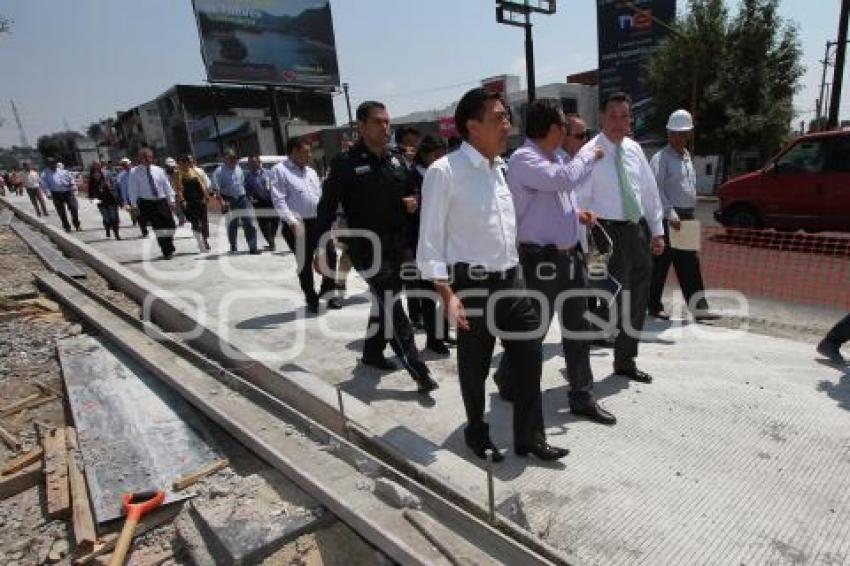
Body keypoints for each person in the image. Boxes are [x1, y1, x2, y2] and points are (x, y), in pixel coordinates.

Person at [418, 88, 568, 461]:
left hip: (512, 279)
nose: (508, 125)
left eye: (507, 117)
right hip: (473, 285)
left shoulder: (500, 167)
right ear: (472, 126)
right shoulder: (444, 172)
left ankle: (530, 437)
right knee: (475, 365)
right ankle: (476, 431)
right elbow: (430, 242)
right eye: (499, 117)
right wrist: (447, 295)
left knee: (530, 358)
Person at [491, 100, 616, 426]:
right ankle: (507, 378)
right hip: (540, 262)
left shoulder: (558, 157)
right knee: (533, 330)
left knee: (578, 329)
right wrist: (590, 153)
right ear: (552, 128)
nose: (568, 131)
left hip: (570, 257)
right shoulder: (524, 159)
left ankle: (582, 396)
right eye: (564, 125)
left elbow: (554, 201)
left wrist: (578, 215)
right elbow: (563, 180)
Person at [317, 101, 437, 393]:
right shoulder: (345, 163)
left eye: (387, 121)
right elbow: (326, 207)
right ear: (361, 126)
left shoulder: (396, 160)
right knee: (393, 304)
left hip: (398, 245)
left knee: (385, 301)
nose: (385, 127)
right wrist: (320, 249)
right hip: (366, 248)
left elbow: (413, 192)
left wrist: (414, 202)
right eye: (378, 122)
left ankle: (372, 352)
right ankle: (417, 368)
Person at [576, 91, 666, 384]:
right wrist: (584, 245)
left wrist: (657, 231)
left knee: (637, 299)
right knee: (601, 300)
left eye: (625, 116)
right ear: (602, 116)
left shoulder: (635, 150)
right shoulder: (589, 152)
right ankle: (571, 369)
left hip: (634, 231)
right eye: (613, 115)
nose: (619, 122)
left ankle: (625, 360)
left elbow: (649, 193)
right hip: (603, 234)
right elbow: (579, 200)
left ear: (631, 119)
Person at [648, 109, 719, 322]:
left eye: (682, 133)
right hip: (668, 217)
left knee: (690, 263)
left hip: (686, 217)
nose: (678, 137)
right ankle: (653, 306)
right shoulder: (660, 159)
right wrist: (670, 212)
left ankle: (699, 308)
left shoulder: (687, 156)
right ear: (668, 133)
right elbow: (654, 190)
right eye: (674, 133)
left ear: (689, 134)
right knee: (660, 265)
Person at [406, 135, 451, 354]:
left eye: (443, 154)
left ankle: (442, 332)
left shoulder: (445, 173)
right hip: (421, 241)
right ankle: (433, 339)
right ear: (424, 154)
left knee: (445, 289)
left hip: (445, 239)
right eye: (435, 154)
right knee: (428, 294)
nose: (440, 158)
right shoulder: (411, 176)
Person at [127, 147, 177, 259]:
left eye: (150, 157)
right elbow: (132, 190)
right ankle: (166, 250)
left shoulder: (159, 170)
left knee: (171, 225)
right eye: (145, 157)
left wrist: (171, 200)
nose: (148, 159)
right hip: (148, 203)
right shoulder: (134, 172)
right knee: (158, 227)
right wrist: (133, 205)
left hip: (162, 201)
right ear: (140, 158)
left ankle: (169, 243)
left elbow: (166, 186)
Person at [213, 149, 260, 255]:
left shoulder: (239, 169)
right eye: (231, 158)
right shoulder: (219, 172)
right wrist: (222, 202)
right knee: (232, 225)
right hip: (229, 199)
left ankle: (253, 247)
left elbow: (243, 184)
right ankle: (233, 245)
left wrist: (249, 196)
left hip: (242, 198)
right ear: (225, 159)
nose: (234, 160)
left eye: (235, 158)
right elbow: (216, 190)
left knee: (249, 223)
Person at [245, 154, 280, 251]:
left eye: (254, 162)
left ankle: (271, 239)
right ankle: (271, 243)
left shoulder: (269, 173)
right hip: (258, 202)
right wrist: (250, 197)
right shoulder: (248, 177)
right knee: (263, 224)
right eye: (250, 163)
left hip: (271, 200)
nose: (252, 164)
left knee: (275, 220)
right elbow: (246, 190)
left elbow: (276, 184)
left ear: (259, 162)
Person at [177, 154, 211, 252]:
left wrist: (206, 195)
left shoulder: (195, 172)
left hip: (200, 200)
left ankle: (204, 239)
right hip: (188, 202)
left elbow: (201, 184)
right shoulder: (178, 175)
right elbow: (178, 189)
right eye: (182, 163)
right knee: (195, 223)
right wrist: (182, 201)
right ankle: (200, 242)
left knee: (204, 222)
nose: (184, 165)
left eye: (186, 162)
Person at [41, 158, 81, 232]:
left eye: (54, 163)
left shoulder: (63, 171)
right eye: (51, 163)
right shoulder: (45, 174)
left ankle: (77, 224)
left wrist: (73, 186)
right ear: (48, 165)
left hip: (68, 192)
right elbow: (44, 185)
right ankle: (66, 226)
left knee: (74, 208)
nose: (53, 165)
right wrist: (48, 193)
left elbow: (71, 179)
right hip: (56, 193)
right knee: (61, 211)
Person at [88, 162, 121, 239]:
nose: (96, 175)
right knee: (106, 218)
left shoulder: (106, 178)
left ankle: (117, 234)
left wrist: (110, 187)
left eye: (98, 172)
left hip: (111, 201)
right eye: (94, 173)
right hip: (101, 203)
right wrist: (97, 202)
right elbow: (90, 196)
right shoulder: (91, 182)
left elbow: (115, 187)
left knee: (113, 217)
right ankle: (107, 229)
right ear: (92, 174)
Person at [164, 157, 186, 226]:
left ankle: (183, 218)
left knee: (183, 206)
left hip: (180, 192)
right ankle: (181, 219)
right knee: (175, 208)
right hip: (170, 194)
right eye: (169, 166)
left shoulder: (178, 172)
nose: (171, 168)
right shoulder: (164, 174)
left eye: (172, 166)